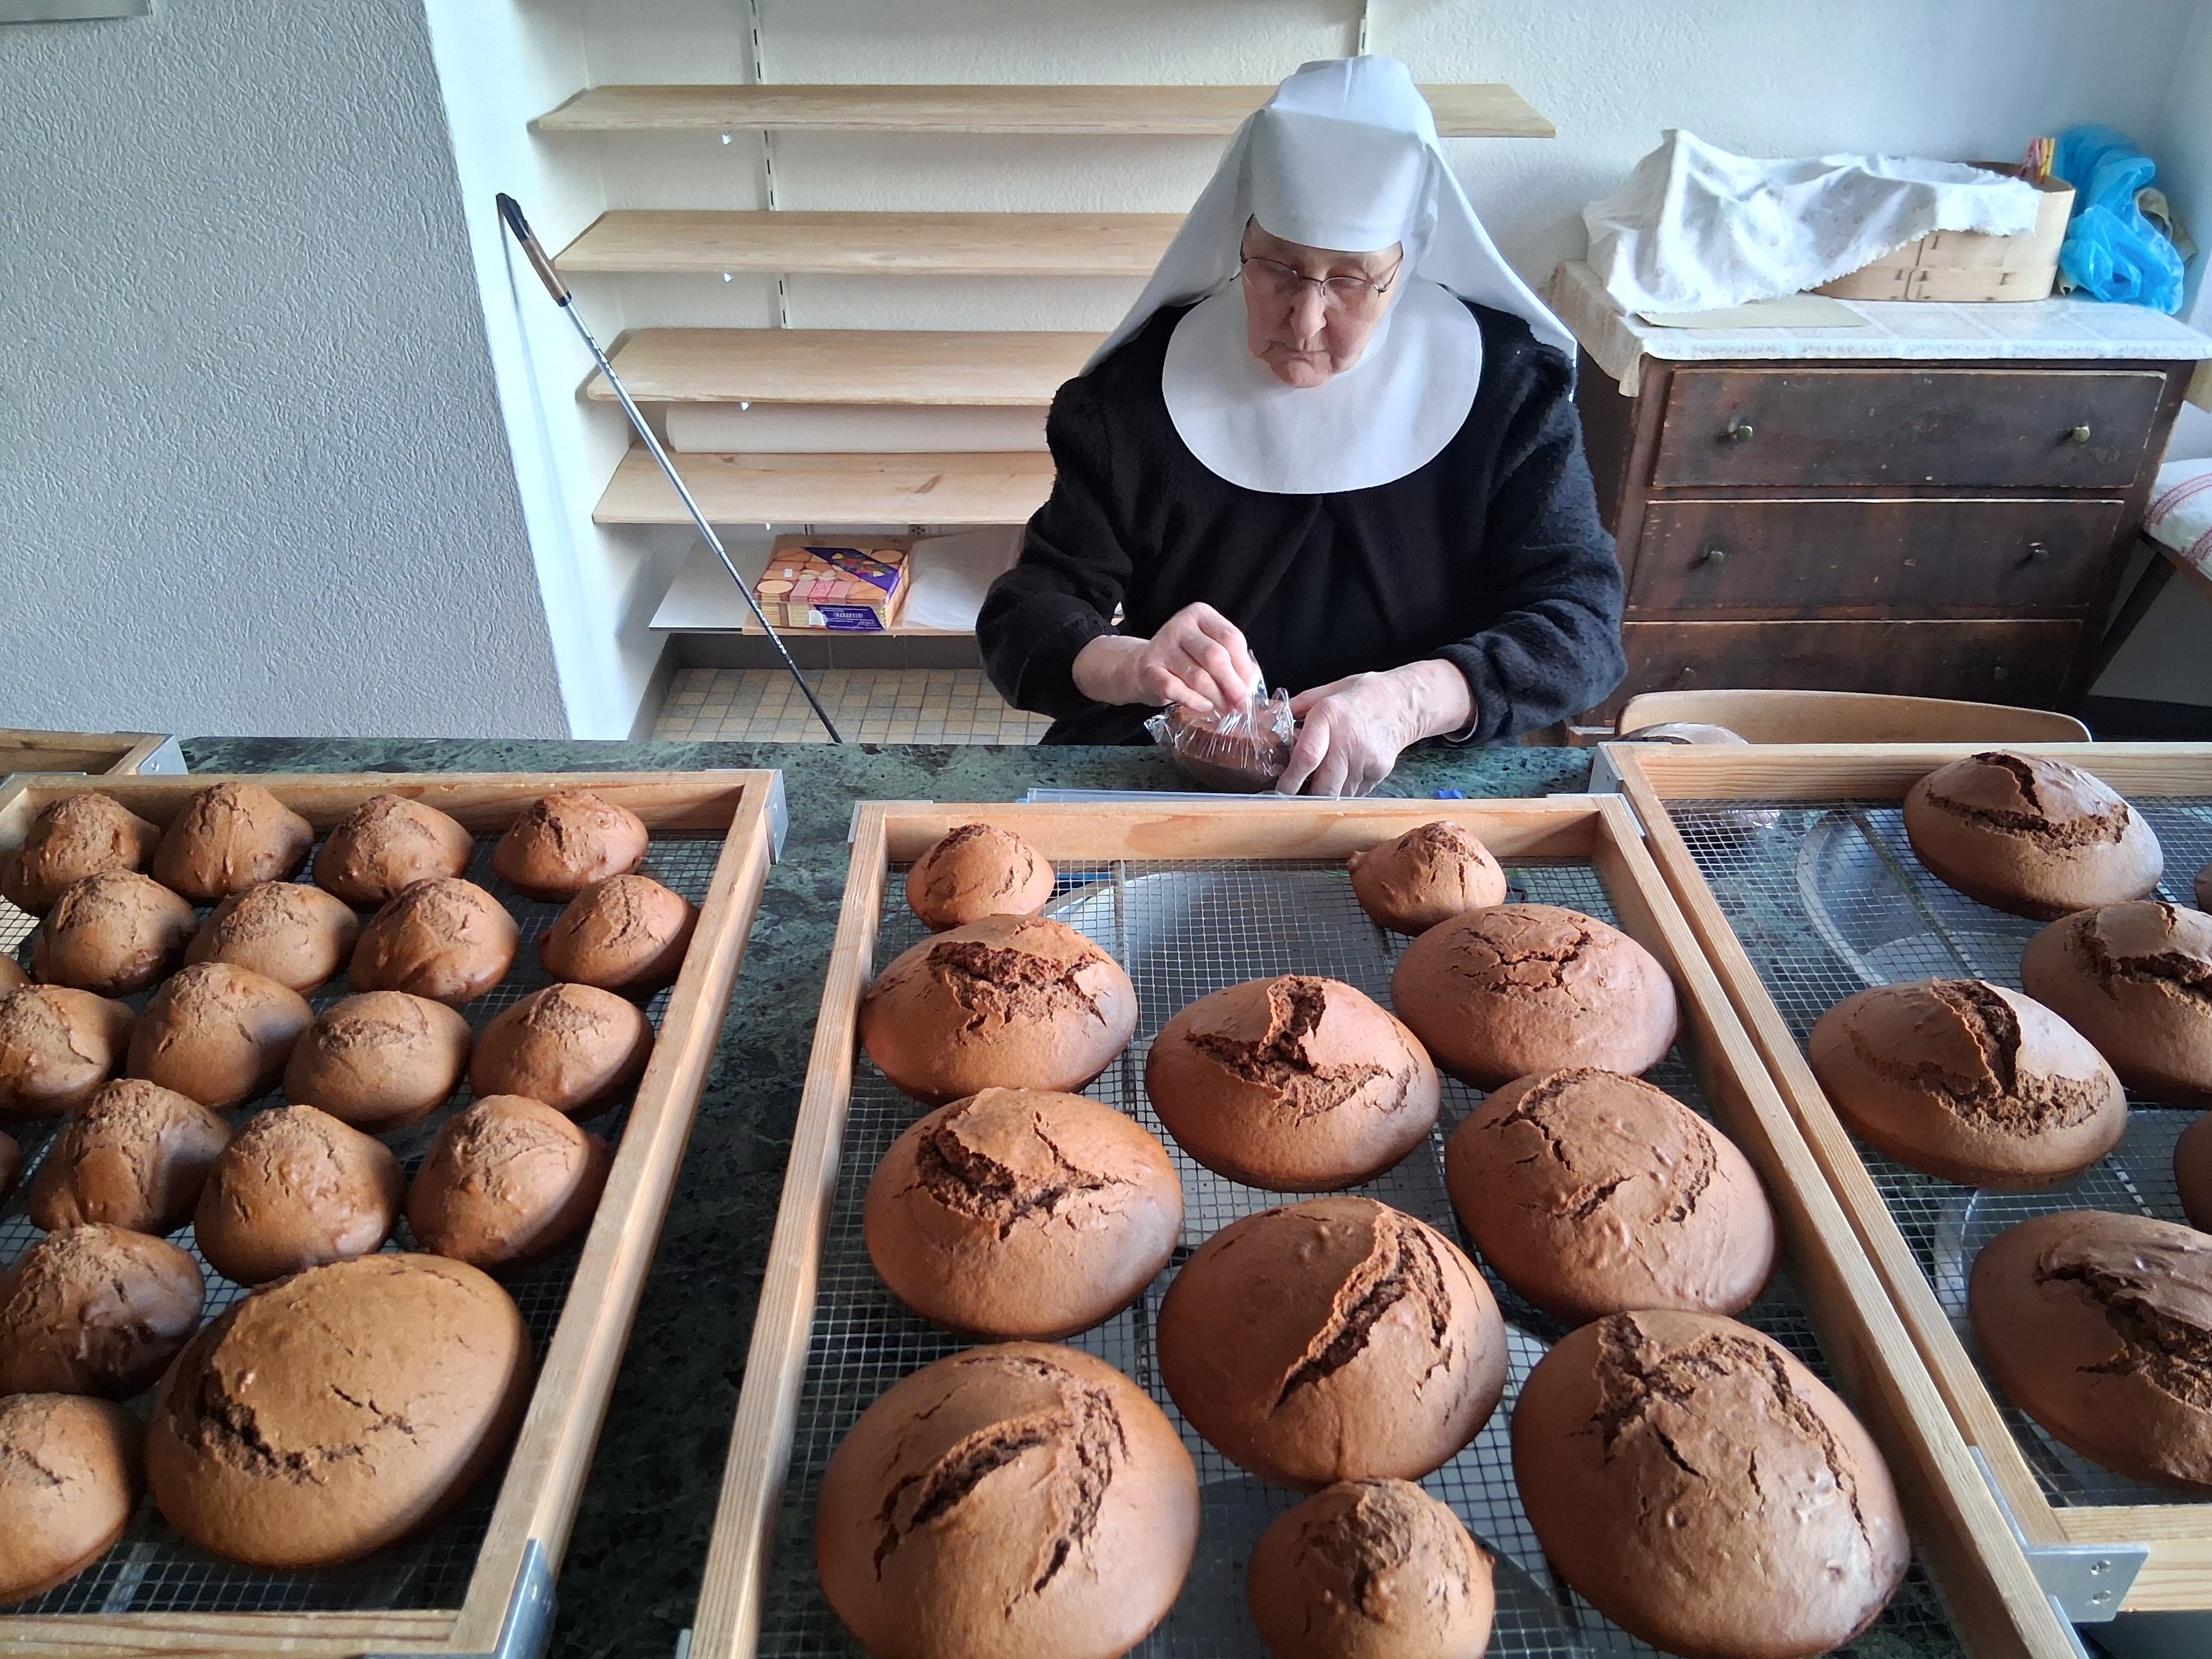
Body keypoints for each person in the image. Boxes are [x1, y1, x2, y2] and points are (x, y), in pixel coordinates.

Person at [978, 56, 1625, 796]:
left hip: (1424, 769)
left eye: (1350, 279)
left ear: (1407, 259)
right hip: (1182, 762)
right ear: (1240, 241)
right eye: (1278, 269)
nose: (1306, 321)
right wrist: (1132, 663)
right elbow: (1025, 616)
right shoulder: (1132, 397)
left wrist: (1410, 702)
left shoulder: (1507, 390)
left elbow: (1582, 624)